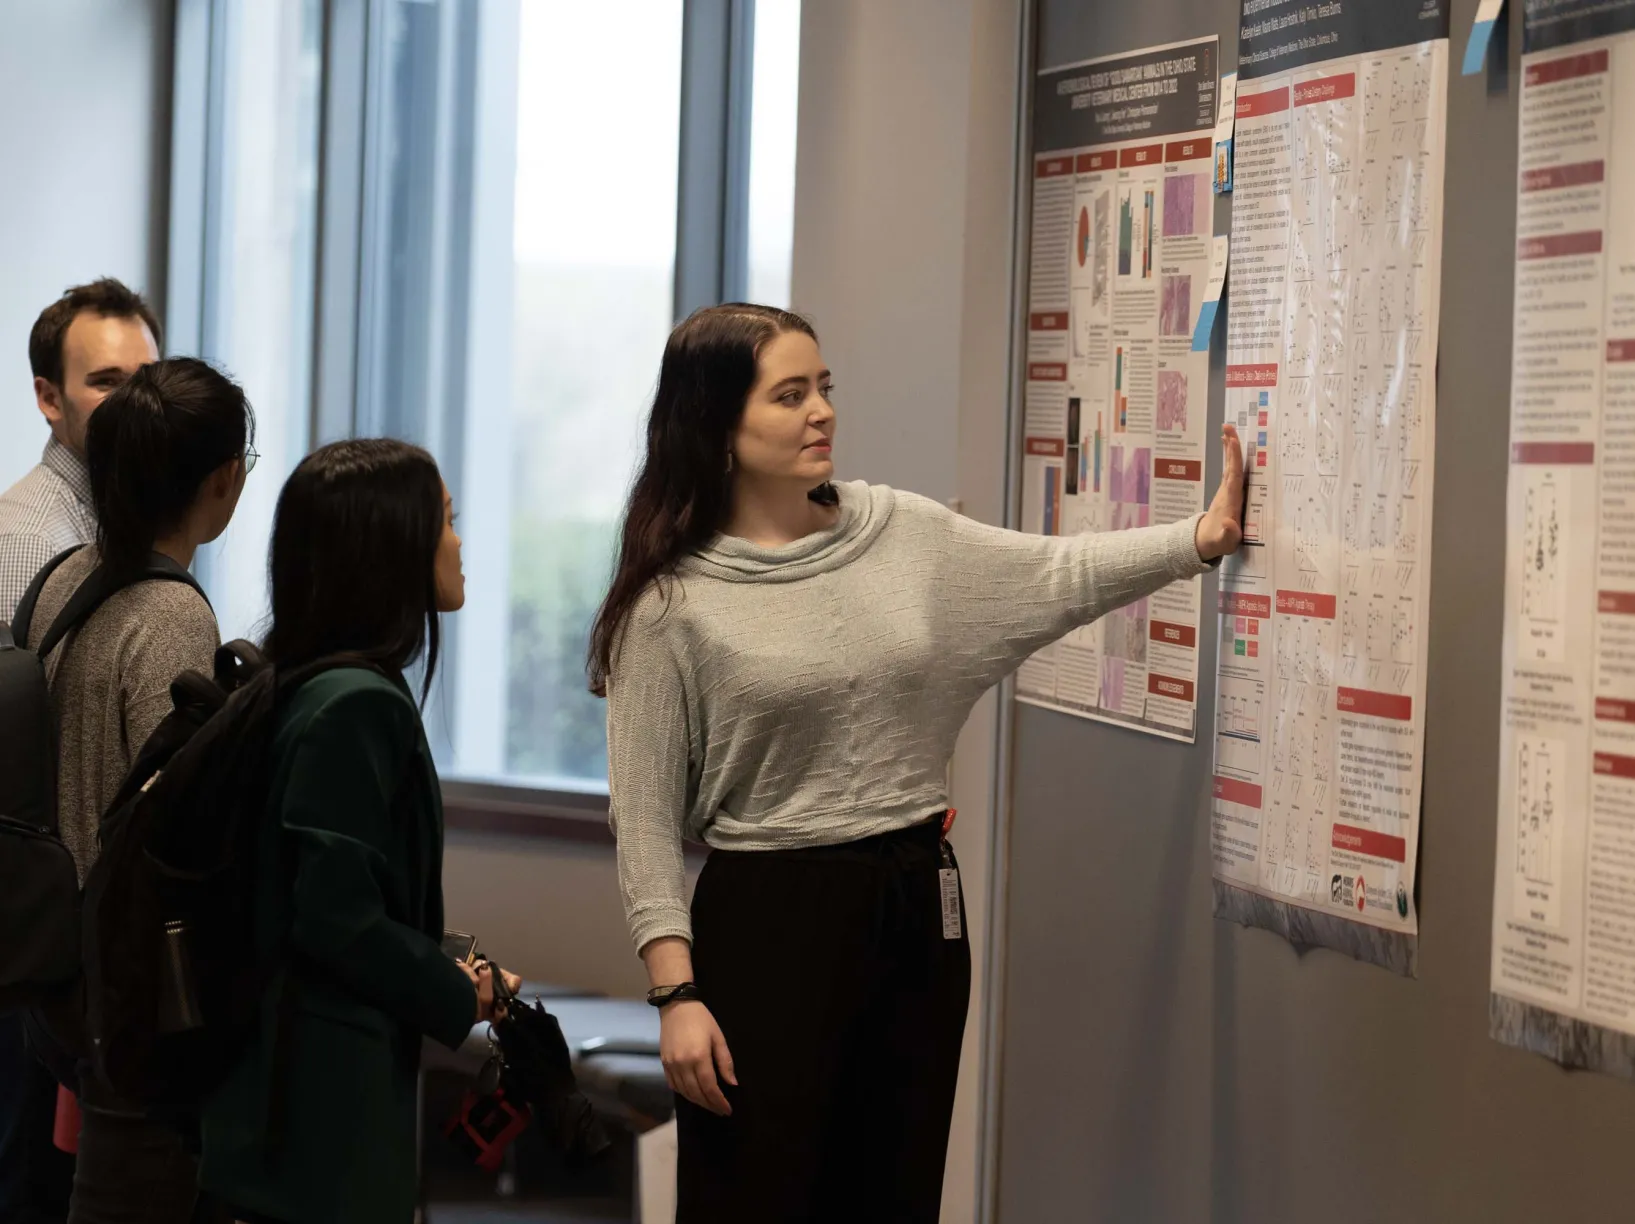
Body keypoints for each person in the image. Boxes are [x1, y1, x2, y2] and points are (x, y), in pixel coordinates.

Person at [591, 304, 1246, 1223]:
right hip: (770, 920)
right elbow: (646, 822)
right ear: (717, 428)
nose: (820, 411)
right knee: (758, 1198)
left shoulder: (901, 533)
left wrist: (1197, 540)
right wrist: (676, 994)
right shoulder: (669, 608)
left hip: (917, 908)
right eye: (788, 396)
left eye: (823, 388)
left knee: (894, 1196)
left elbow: (1055, 574)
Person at [198, 438, 518, 1224]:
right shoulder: (354, 704)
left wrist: (441, 960)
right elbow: (333, 916)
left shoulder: (297, 683)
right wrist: (454, 987)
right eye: (444, 520)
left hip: (283, 1084)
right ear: (390, 547)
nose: (458, 540)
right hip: (319, 1102)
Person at [22, 357, 252, 1224]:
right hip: (124, 987)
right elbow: (171, 817)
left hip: (51, 957)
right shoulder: (173, 615)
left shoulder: (61, 580)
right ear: (222, 482)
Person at [0, 278, 159, 1224]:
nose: (135, 401)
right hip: (30, 933)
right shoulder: (33, 538)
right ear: (48, 399)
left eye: (148, 377)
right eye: (107, 382)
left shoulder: (110, 526)